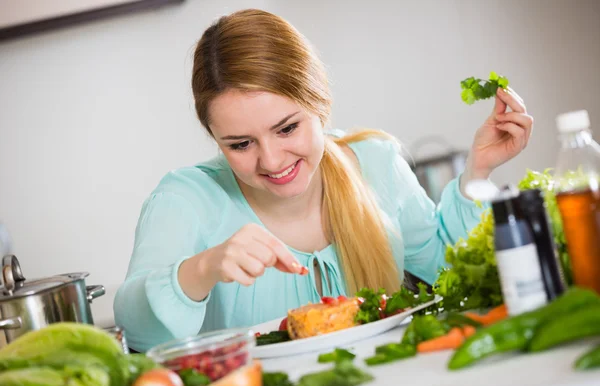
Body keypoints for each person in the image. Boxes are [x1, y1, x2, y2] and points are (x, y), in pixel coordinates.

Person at [114, 9, 533, 352]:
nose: (272, 160)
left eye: (287, 128)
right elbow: (139, 334)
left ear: (320, 104)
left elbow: (451, 274)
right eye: (241, 144)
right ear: (215, 139)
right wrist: (201, 269)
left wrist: (477, 173)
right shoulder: (185, 200)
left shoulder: (375, 163)